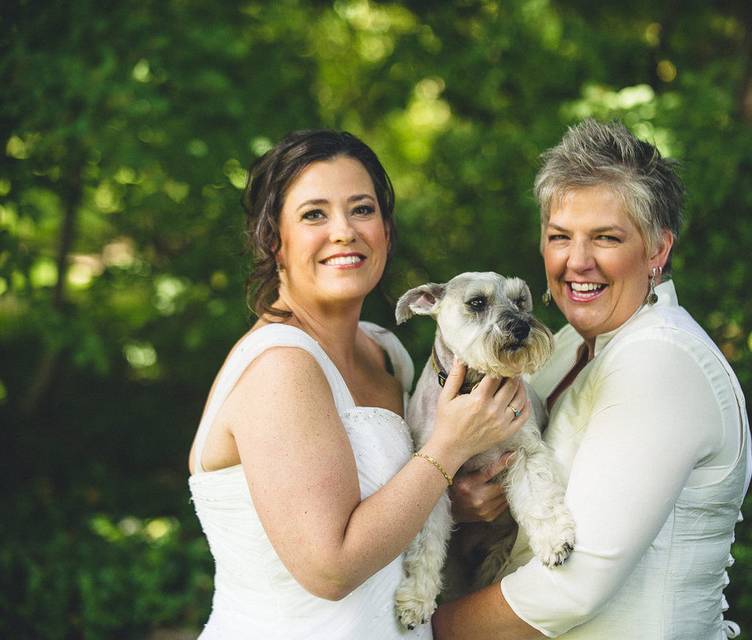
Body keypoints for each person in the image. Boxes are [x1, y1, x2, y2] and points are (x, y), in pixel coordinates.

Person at [187, 129, 528, 639]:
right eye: (314, 214)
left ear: (386, 231)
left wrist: (450, 502)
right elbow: (330, 569)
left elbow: (390, 515)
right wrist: (450, 446)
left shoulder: (384, 353)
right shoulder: (281, 367)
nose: (344, 231)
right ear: (273, 240)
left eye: (362, 209)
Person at [432, 119, 752, 639]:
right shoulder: (560, 348)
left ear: (657, 251)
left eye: (605, 238)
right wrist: (460, 504)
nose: (577, 262)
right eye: (560, 237)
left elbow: (573, 585)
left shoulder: (660, 360)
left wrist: (421, 632)